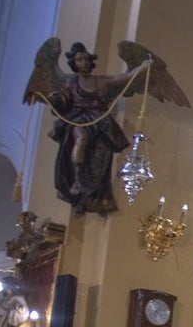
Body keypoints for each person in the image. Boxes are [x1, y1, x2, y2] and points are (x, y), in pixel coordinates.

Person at [43, 43, 138, 216]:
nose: (84, 62)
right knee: (80, 139)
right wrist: (52, 99)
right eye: (80, 60)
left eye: (86, 59)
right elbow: (61, 99)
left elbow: (126, 78)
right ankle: (78, 180)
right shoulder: (71, 82)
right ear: (74, 63)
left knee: (101, 158)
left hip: (100, 121)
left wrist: (144, 67)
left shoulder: (101, 81)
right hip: (79, 119)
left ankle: (97, 196)